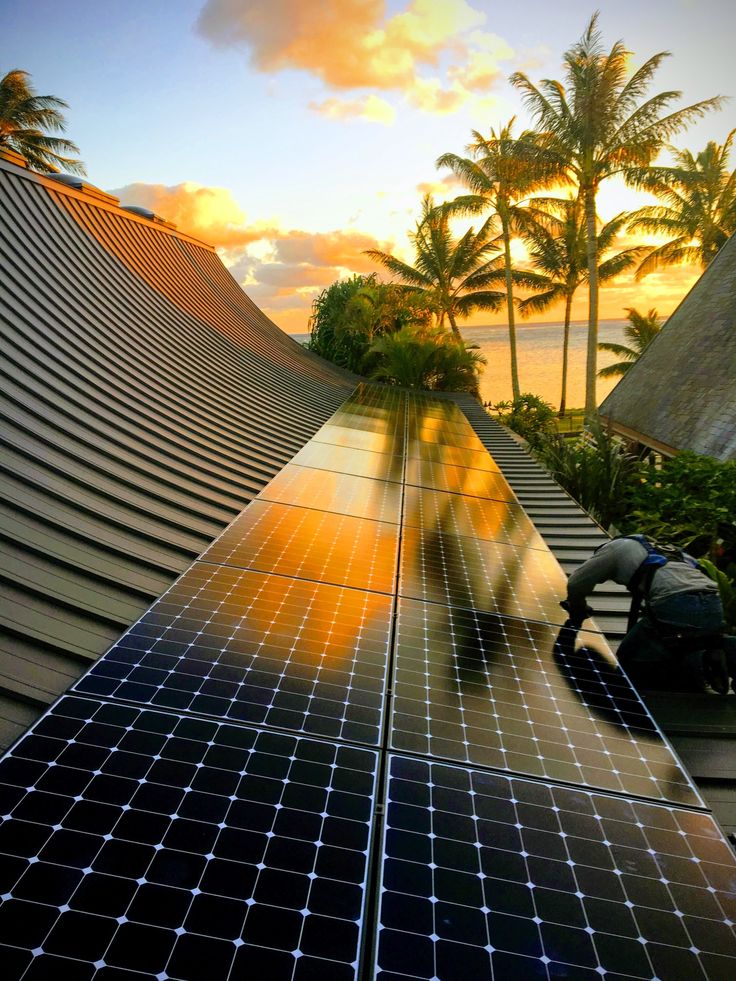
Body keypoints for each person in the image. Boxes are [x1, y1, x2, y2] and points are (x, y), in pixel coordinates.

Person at [561, 535, 735, 693]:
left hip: (676, 602)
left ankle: (704, 661)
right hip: (713, 601)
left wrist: (578, 609)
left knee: (629, 655)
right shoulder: (670, 551)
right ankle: (716, 648)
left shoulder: (613, 549)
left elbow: (576, 584)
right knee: (689, 637)